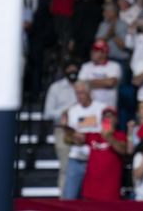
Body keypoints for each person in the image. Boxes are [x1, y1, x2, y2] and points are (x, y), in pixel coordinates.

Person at [61, 81, 106, 200]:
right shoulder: (73, 111)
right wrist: (72, 135)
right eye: (77, 93)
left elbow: (105, 133)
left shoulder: (101, 109)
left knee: (92, 198)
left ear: (89, 92)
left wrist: (86, 139)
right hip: (76, 158)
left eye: (82, 93)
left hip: (95, 159)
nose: (79, 96)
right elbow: (68, 137)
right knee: (70, 197)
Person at [43, 60, 79, 195]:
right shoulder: (56, 88)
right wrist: (65, 112)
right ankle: (64, 201)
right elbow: (48, 113)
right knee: (66, 167)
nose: (72, 73)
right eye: (69, 70)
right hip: (63, 130)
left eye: (74, 70)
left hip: (83, 130)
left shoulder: (83, 86)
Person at [80, 107, 127, 201]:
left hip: (110, 191)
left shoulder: (120, 135)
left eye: (110, 116)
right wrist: (69, 130)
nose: (106, 118)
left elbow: (122, 150)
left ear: (116, 120)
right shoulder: (93, 135)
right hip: (90, 190)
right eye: (104, 116)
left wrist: (109, 137)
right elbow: (76, 139)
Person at [79, 40, 122, 109]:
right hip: (90, 108)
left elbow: (110, 83)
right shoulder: (86, 66)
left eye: (96, 50)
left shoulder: (114, 66)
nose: (92, 52)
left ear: (104, 53)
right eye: (92, 50)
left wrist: (89, 82)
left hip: (108, 108)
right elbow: (81, 85)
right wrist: (104, 82)